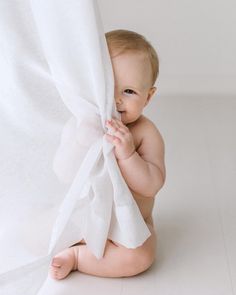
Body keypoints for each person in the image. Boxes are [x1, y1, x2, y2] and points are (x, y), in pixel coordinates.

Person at [49, 29, 166, 279]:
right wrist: (82, 142)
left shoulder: (145, 132)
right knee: (32, 230)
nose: (115, 99)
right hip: (84, 219)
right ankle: (77, 241)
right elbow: (63, 172)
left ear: (148, 96)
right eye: (107, 85)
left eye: (129, 91)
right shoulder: (82, 123)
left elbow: (152, 185)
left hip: (128, 230)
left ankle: (79, 257)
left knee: (140, 257)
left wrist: (127, 155)